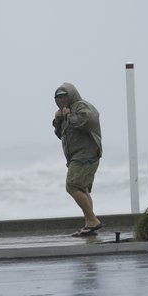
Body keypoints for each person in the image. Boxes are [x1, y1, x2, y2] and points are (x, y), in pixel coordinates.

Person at [52, 82, 102, 236]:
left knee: (72, 185)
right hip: (77, 156)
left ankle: (92, 220)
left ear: (71, 95)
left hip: (86, 154)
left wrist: (68, 115)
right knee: (82, 188)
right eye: (58, 98)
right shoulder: (65, 111)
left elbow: (86, 121)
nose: (61, 100)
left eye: (63, 96)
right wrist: (59, 119)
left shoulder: (82, 106)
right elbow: (61, 134)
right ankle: (90, 223)